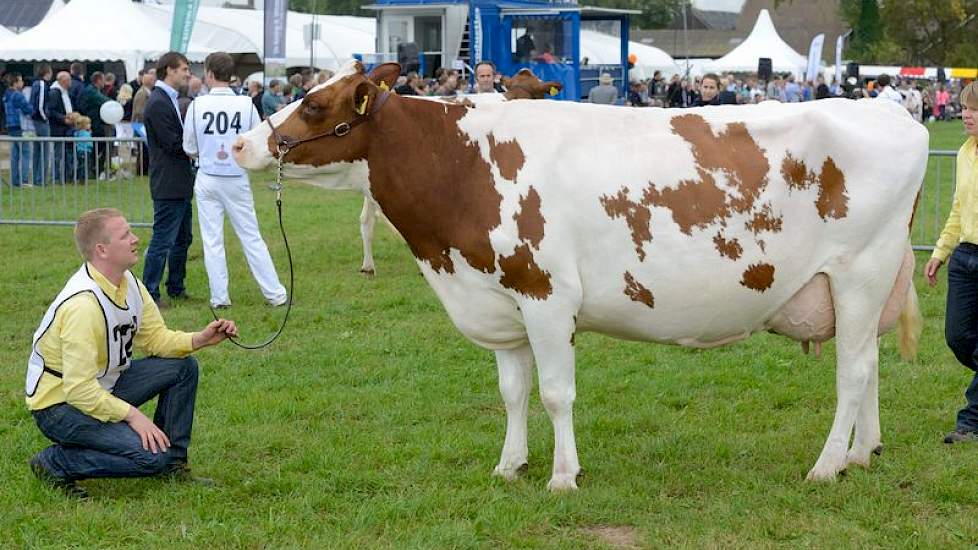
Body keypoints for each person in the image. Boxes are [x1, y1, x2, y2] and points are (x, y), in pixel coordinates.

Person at [26, 208, 238, 498]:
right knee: (150, 456)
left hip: (102, 386)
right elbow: (78, 390)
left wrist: (200, 339)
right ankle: (55, 462)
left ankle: (172, 463)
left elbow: (156, 340)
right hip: (60, 407)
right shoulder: (82, 307)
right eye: (125, 235)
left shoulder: (130, 284)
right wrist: (133, 416)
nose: (135, 239)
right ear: (102, 249)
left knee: (183, 367)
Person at [183, 52, 288, 309]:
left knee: (212, 239)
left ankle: (220, 297)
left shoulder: (196, 105)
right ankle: (275, 294)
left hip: (208, 175)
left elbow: (189, 147)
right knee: (251, 236)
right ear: (230, 75)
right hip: (235, 176)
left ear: (209, 74)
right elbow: (254, 142)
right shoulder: (245, 104)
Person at [925, 82, 978, 444]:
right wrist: (940, 252)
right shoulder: (963, 152)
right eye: (964, 107)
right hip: (964, 258)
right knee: (957, 337)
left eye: (974, 108)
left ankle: (970, 422)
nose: (966, 114)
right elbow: (959, 208)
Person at [142, 51, 195, 307]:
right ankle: (150, 293)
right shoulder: (159, 102)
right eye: (184, 69)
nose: (187, 73)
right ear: (169, 70)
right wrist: (195, 146)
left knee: (183, 239)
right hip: (168, 182)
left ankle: (176, 285)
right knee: (162, 240)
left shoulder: (169, 99)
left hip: (179, 182)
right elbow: (173, 143)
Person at [78, 72, 112, 179]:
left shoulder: (93, 90)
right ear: (98, 80)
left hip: (94, 123)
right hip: (93, 124)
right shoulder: (92, 91)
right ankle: (94, 169)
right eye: (103, 80)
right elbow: (104, 100)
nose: (104, 83)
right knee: (97, 147)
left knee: (99, 147)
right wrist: (114, 103)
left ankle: (95, 168)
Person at [4, 72, 34, 188]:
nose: (22, 83)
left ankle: (14, 180)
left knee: (15, 154)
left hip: (10, 126)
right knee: (26, 153)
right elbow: (28, 109)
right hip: (20, 126)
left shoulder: (6, 95)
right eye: (20, 80)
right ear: (15, 82)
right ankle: (24, 180)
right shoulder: (18, 95)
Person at [46, 71, 74, 184]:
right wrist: (63, 118)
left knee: (64, 153)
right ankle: (55, 177)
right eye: (69, 80)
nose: (70, 82)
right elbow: (51, 111)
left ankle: (64, 176)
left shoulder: (65, 92)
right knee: (57, 154)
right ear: (63, 81)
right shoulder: (55, 93)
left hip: (65, 127)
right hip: (58, 128)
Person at [30, 64, 53, 186]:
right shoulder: (42, 84)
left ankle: (36, 178)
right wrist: (45, 118)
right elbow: (40, 104)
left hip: (35, 120)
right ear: (47, 73)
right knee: (44, 151)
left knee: (37, 151)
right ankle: (41, 180)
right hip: (41, 120)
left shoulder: (34, 84)